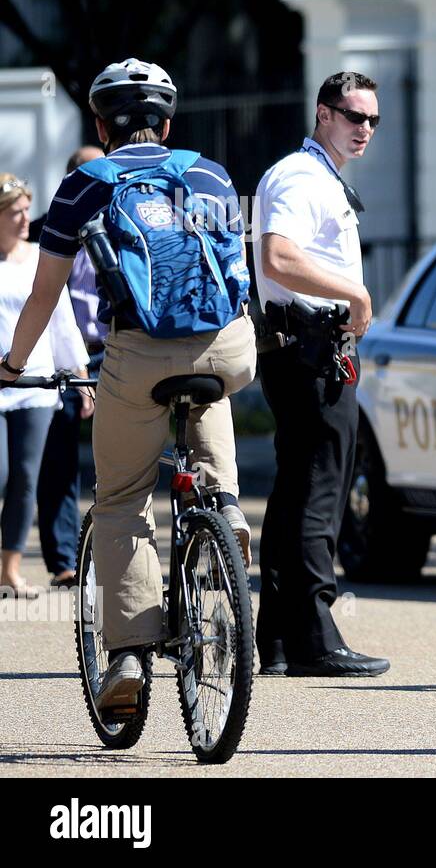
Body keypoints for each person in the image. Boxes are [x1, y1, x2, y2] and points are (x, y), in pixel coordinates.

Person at [0, 58, 256, 712]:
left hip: (139, 351)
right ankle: (223, 502)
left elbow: (44, 295)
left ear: (99, 124)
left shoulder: (87, 182)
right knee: (212, 392)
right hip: (229, 345)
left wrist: (11, 365)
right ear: (167, 122)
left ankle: (131, 657)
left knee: (119, 500)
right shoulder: (211, 172)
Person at [251, 71, 389, 678]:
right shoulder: (299, 176)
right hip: (309, 347)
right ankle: (315, 635)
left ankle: (279, 638)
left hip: (310, 347)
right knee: (319, 490)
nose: (365, 129)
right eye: (354, 116)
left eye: (373, 120)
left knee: (297, 490)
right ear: (322, 114)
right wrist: (355, 295)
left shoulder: (317, 177)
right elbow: (277, 255)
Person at [0, 174, 90, 597]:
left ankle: (10, 569)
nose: (24, 219)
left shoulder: (40, 256)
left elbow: (61, 317)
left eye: (25, 210)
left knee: (23, 476)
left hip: (33, 382)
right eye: (14, 211)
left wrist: (78, 373)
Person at [35, 145, 106, 588]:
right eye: (89, 173)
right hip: (62, 355)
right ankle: (64, 563)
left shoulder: (122, 221)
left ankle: (113, 556)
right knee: (58, 459)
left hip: (113, 347)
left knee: (118, 457)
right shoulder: (45, 228)